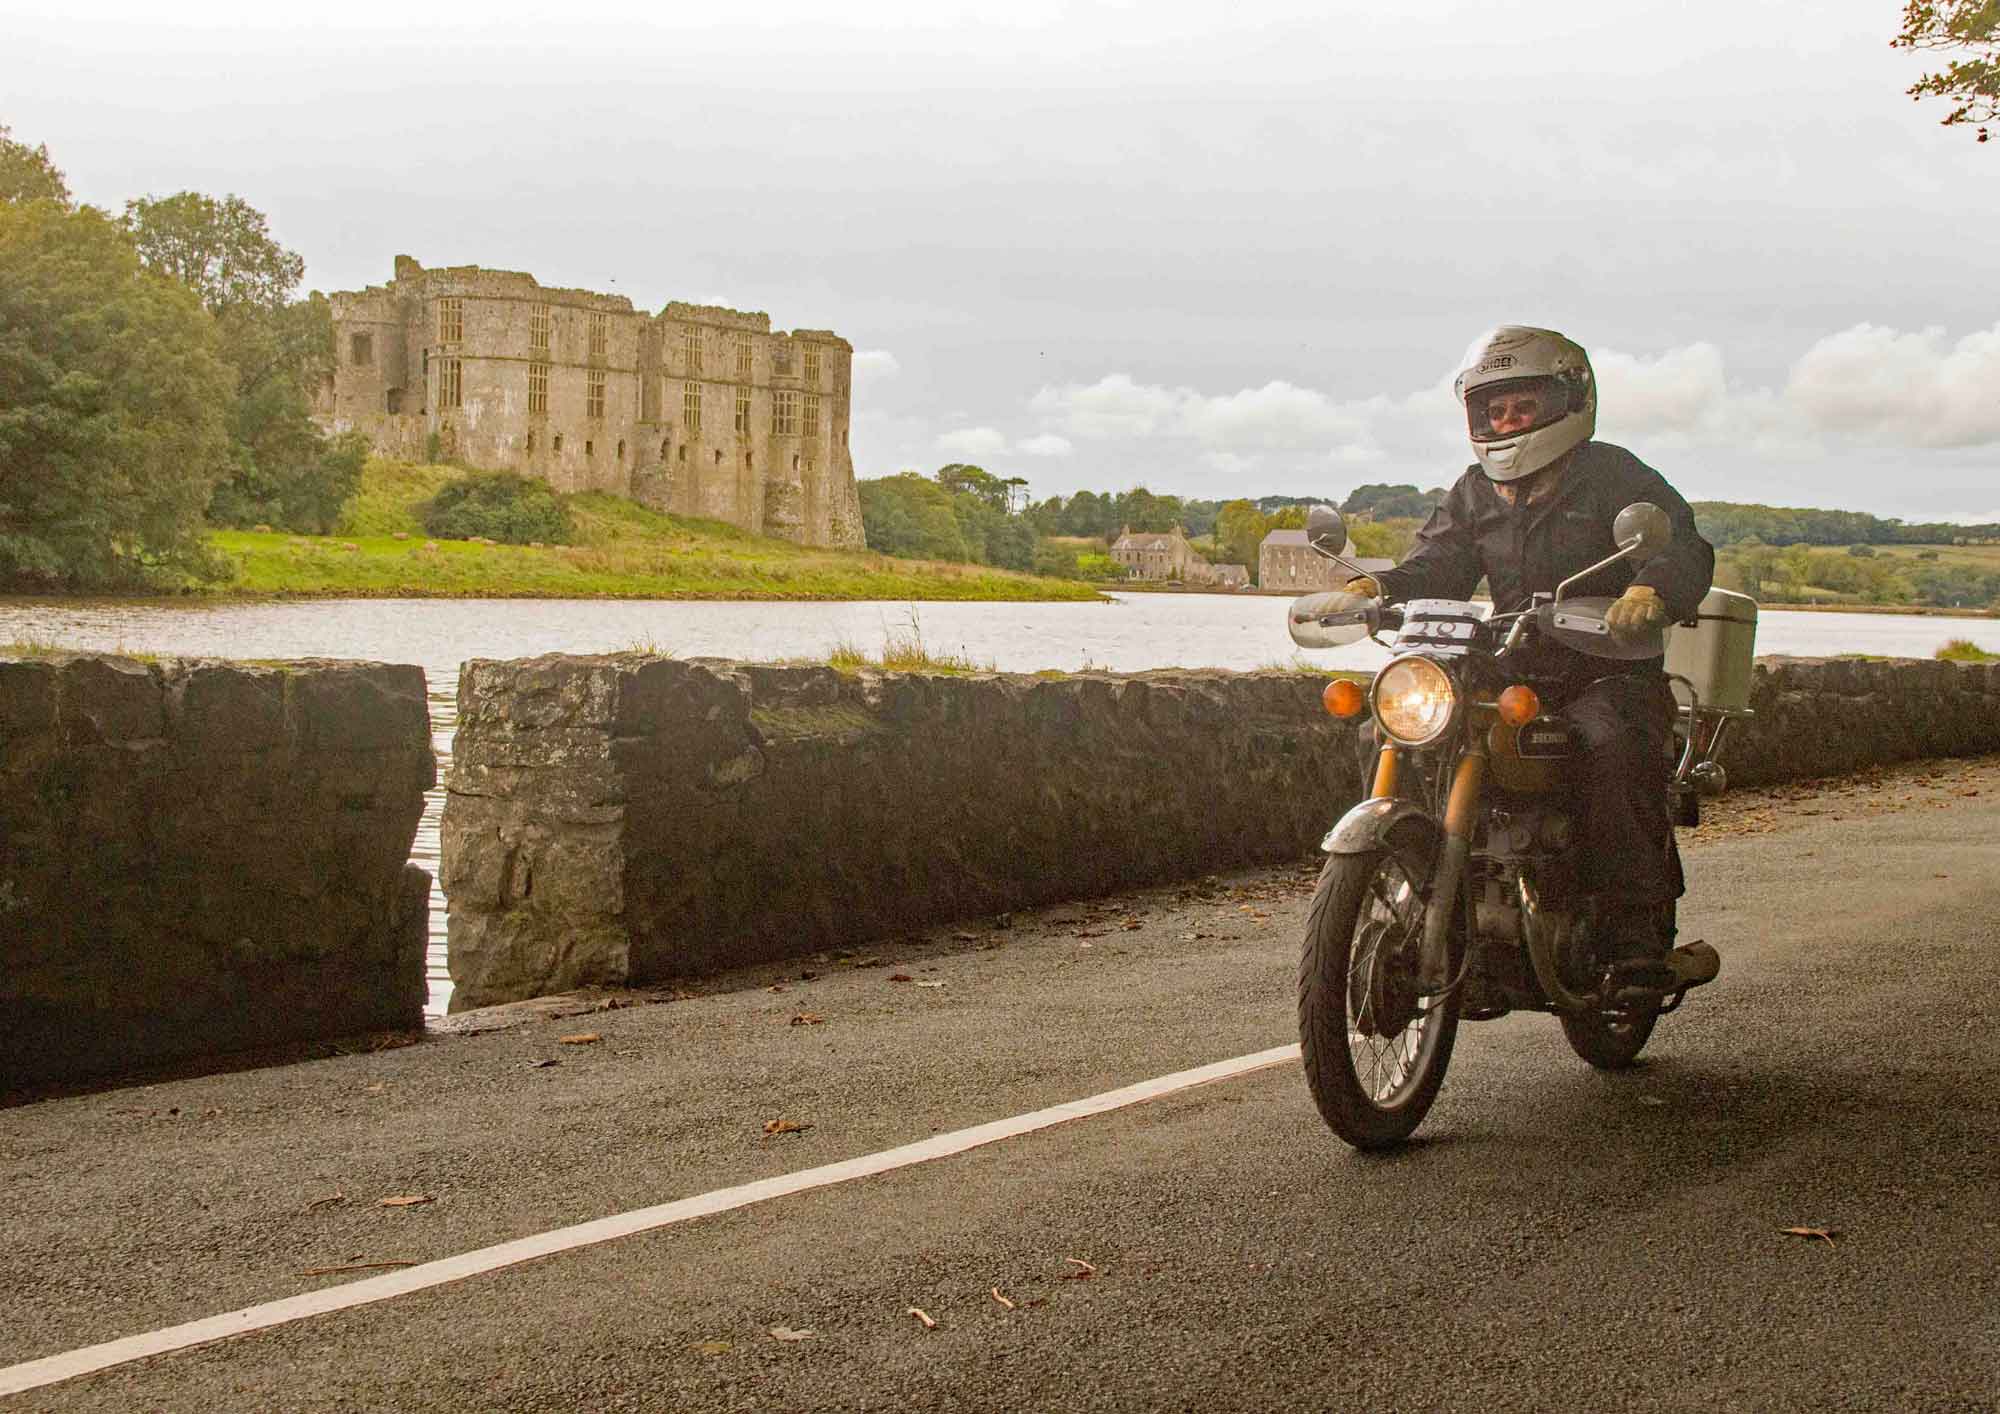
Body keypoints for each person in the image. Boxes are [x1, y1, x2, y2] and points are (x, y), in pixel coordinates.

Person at [1346, 325, 1716, 988]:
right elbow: (1439, 563)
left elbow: (1682, 545)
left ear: (1567, 400)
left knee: (1609, 744)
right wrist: (1379, 589)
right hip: (1511, 666)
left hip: (1606, 671)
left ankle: (1634, 939)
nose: (1508, 421)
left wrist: (1650, 590)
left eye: (1523, 406)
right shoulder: (1475, 490)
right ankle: (1414, 875)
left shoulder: (1614, 476)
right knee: (1388, 727)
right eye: (1496, 410)